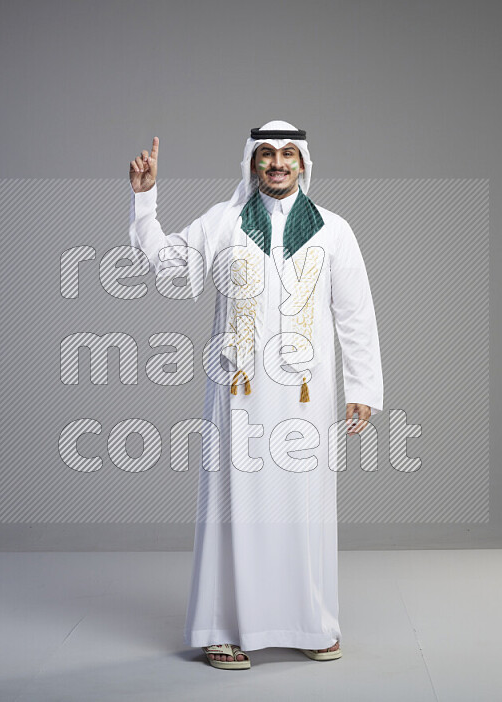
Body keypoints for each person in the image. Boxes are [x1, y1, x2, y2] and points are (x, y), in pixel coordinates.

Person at [128, 120, 383, 670]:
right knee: (232, 509)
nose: (277, 163)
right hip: (236, 393)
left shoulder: (333, 231)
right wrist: (145, 202)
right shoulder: (223, 222)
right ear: (251, 162)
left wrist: (362, 386)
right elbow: (172, 267)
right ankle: (223, 629)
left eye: (288, 154)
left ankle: (310, 622)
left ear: (304, 163)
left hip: (304, 397)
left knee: (304, 507)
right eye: (266, 154)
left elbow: (355, 313)